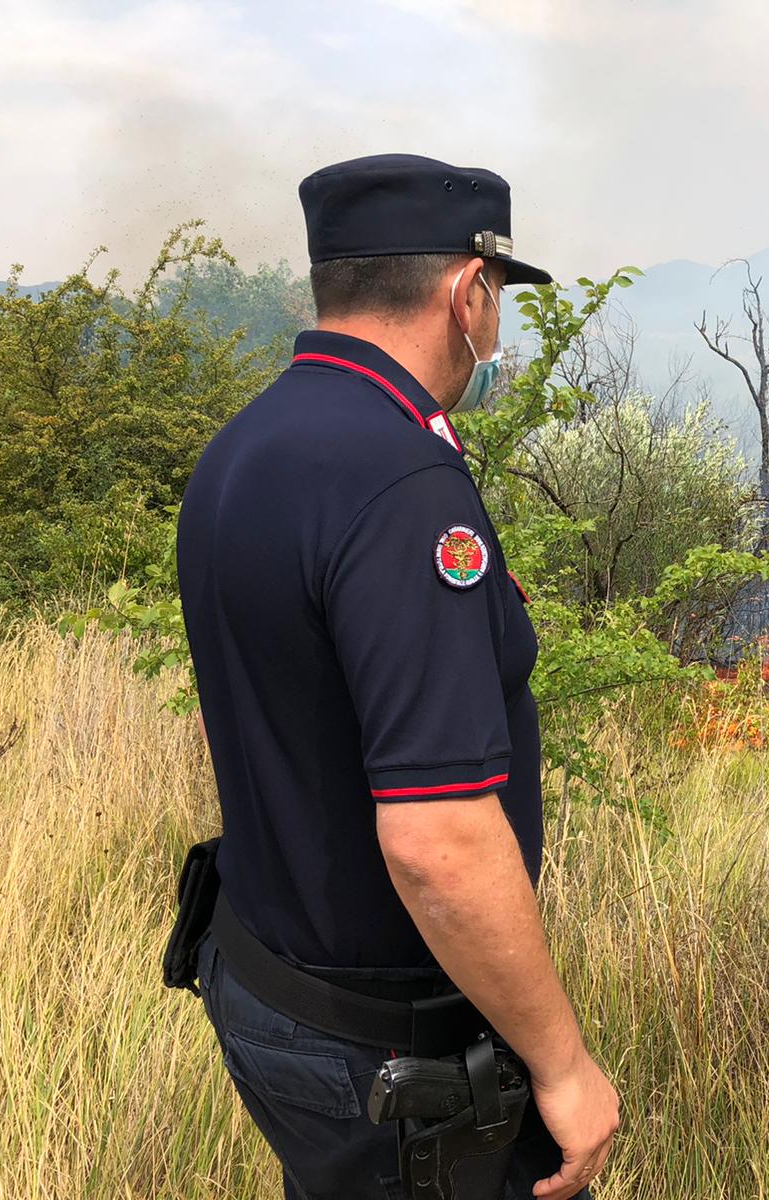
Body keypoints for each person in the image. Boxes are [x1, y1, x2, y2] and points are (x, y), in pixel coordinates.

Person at [173, 153, 620, 1200]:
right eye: (499, 298)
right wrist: (560, 1065)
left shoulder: (246, 447)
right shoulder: (404, 483)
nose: (495, 326)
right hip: (385, 1051)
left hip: (267, 981)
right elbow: (437, 839)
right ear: (468, 293)